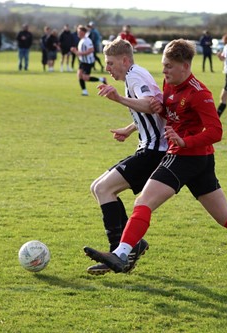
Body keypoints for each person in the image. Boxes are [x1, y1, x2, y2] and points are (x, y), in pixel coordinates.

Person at [84, 39, 227, 286]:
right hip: (198, 160)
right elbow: (167, 113)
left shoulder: (199, 93)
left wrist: (185, 141)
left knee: (144, 201)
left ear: (185, 65)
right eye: (163, 66)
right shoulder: (170, 84)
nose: (164, 71)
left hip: (186, 157)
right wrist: (144, 120)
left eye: (168, 66)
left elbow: (216, 132)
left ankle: (120, 254)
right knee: (225, 216)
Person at [86, 38, 168, 275]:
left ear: (124, 60)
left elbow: (150, 105)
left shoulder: (134, 76)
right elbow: (154, 108)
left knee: (103, 189)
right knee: (97, 187)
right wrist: (130, 128)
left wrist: (119, 99)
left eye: (110, 63)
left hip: (154, 152)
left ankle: (118, 252)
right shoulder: (134, 74)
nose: (107, 68)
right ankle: (132, 245)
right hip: (149, 149)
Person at [70, 25, 107, 96]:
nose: (78, 33)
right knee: (79, 75)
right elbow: (80, 52)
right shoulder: (81, 40)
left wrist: (80, 53)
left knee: (85, 78)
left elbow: (91, 50)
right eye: (78, 32)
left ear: (83, 32)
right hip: (82, 61)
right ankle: (84, 92)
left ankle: (102, 79)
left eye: (79, 32)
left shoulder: (87, 40)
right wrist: (75, 51)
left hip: (88, 62)